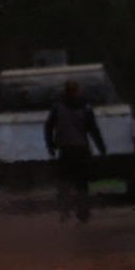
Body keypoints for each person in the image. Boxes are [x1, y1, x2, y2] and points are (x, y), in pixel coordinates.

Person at [44, 79, 106, 222]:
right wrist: (102, 148)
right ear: (78, 91)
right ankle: (83, 211)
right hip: (81, 149)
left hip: (65, 150)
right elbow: (93, 130)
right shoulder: (85, 107)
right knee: (82, 182)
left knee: (65, 181)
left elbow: (48, 126)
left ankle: (65, 211)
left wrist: (51, 145)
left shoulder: (57, 107)